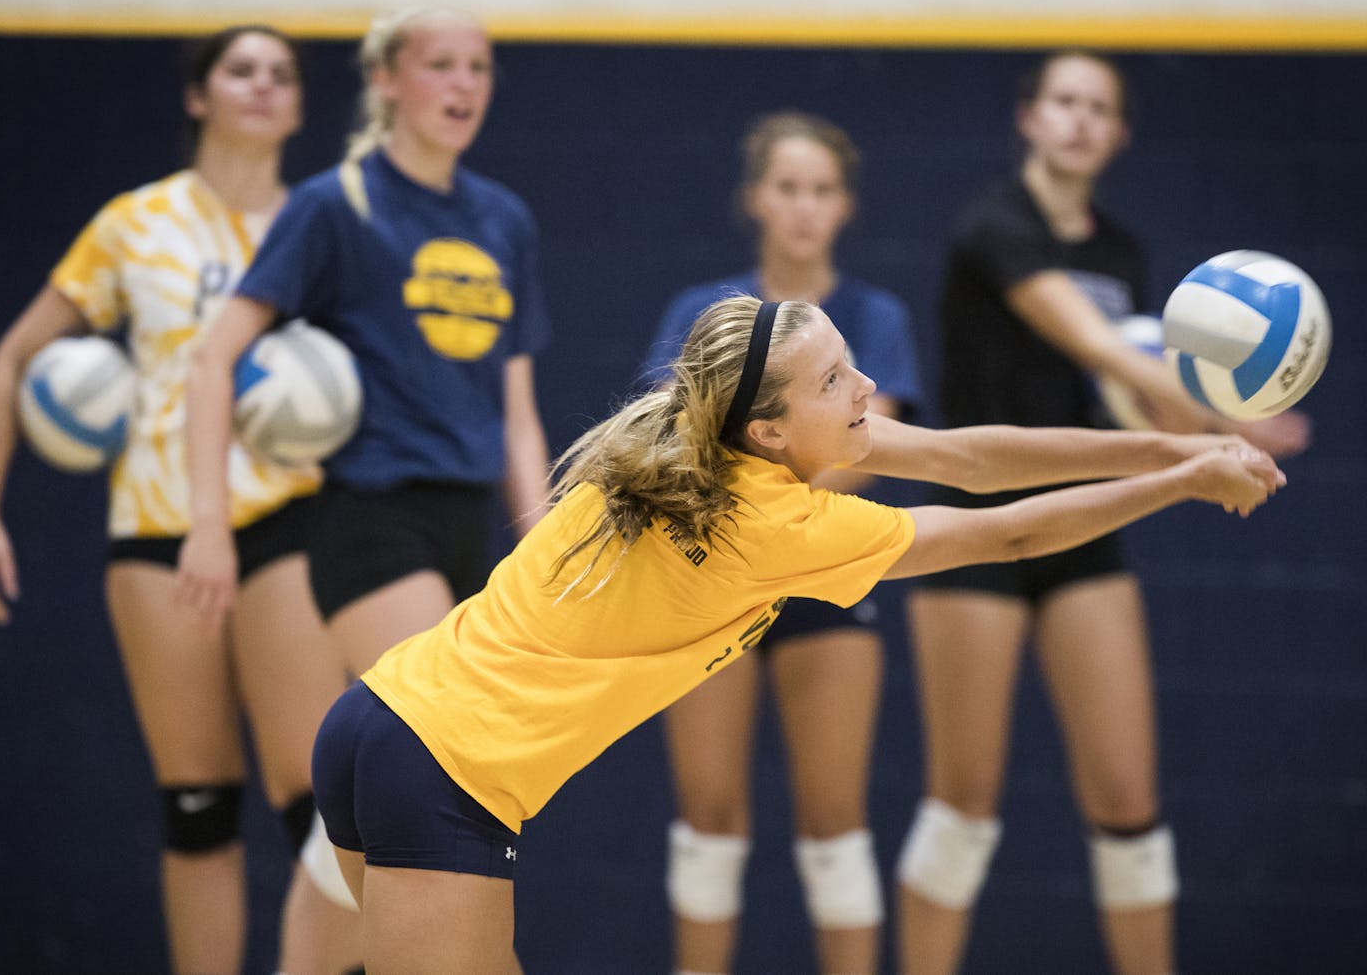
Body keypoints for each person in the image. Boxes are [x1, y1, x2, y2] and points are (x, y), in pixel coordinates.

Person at [308, 295, 1282, 974]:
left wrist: (1178, 438)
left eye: (847, 360)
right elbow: (1008, 527)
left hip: (375, 726)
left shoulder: (687, 429)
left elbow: (971, 456)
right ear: (770, 431)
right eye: (832, 381)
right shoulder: (774, 525)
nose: (864, 388)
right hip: (444, 767)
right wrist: (1180, 485)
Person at [0, 26, 361, 975]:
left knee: (322, 802)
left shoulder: (323, 223)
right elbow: (13, 359)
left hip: (286, 522)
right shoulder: (133, 222)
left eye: (282, 75)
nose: (263, 87)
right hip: (154, 531)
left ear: (301, 107)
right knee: (197, 803)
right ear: (197, 96)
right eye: (240, 70)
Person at [895, 51, 1310, 975]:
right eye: (1064, 102)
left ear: (1120, 135)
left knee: (1127, 799)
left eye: (1100, 108)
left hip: (1080, 522)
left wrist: (1205, 396)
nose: (1080, 120)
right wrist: (1224, 421)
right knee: (962, 805)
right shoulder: (991, 224)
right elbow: (1088, 341)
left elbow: (1134, 394)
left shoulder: (1122, 254)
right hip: (971, 524)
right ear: (1030, 118)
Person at [178, 6, 551, 909]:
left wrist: (545, 541)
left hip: (474, 522)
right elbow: (211, 357)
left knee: (393, 795)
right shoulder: (334, 205)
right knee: (439, 762)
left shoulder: (504, 218)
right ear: (385, 79)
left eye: (479, 67)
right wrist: (207, 525)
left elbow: (517, 410)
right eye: (440, 65)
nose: (464, 84)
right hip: (373, 518)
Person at [640, 112, 920, 975]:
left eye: (823, 189)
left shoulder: (874, 316)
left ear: (845, 205)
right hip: (712, 584)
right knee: (709, 819)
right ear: (756, 198)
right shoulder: (704, 315)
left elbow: (878, 447)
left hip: (824, 578)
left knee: (836, 822)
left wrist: (765, 520)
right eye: (789, 187)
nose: (805, 207)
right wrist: (747, 530)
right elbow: (665, 441)